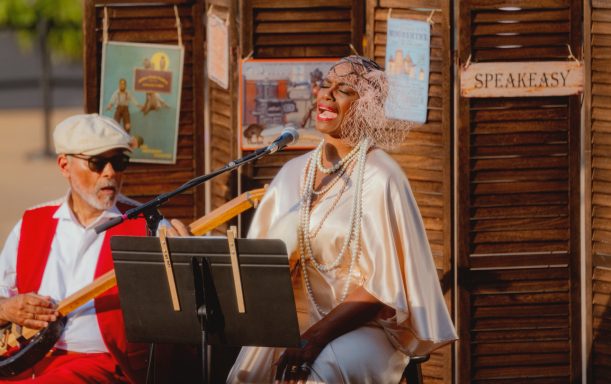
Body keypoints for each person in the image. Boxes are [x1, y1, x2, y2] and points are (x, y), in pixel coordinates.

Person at [223, 55, 458, 383]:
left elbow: (381, 291)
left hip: (367, 330)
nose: (327, 95)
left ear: (368, 105)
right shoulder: (293, 173)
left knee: (319, 373)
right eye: (325, 85)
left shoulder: (382, 176)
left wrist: (313, 339)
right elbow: (260, 264)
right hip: (296, 320)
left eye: (344, 89)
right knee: (247, 373)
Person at [0, 114, 148, 383]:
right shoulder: (32, 222)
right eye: (97, 162)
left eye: (119, 162)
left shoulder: (148, 225)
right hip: (26, 359)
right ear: (64, 165)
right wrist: (6, 308)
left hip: (104, 367)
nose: (110, 173)